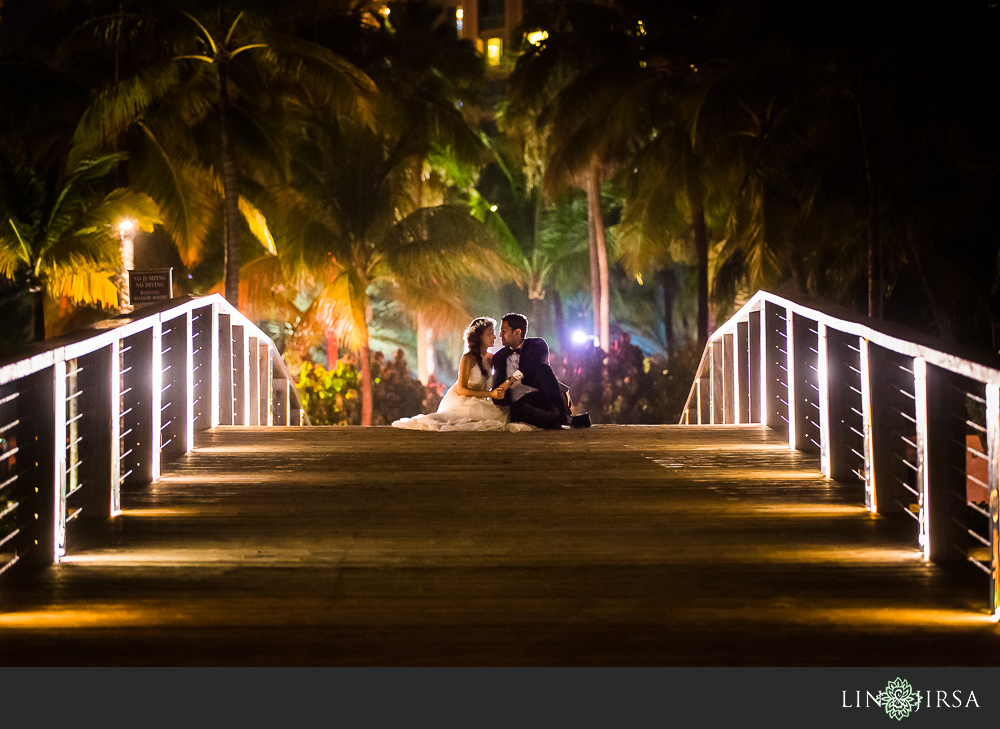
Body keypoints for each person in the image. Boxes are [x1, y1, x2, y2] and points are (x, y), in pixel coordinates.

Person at [391, 317, 536, 432]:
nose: (495, 336)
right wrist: (490, 394)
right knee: (489, 417)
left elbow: (510, 372)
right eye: (490, 333)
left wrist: (510, 381)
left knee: (503, 413)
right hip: (464, 400)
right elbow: (461, 389)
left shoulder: (491, 358)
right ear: (479, 337)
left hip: (481, 401)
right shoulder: (468, 358)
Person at [490, 312, 585, 429]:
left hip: (542, 396)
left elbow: (531, 366)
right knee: (516, 409)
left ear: (517, 332)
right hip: (518, 403)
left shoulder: (537, 345)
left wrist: (508, 381)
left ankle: (561, 414)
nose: (500, 335)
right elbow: (497, 383)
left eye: (504, 331)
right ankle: (563, 420)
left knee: (542, 368)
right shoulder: (498, 357)